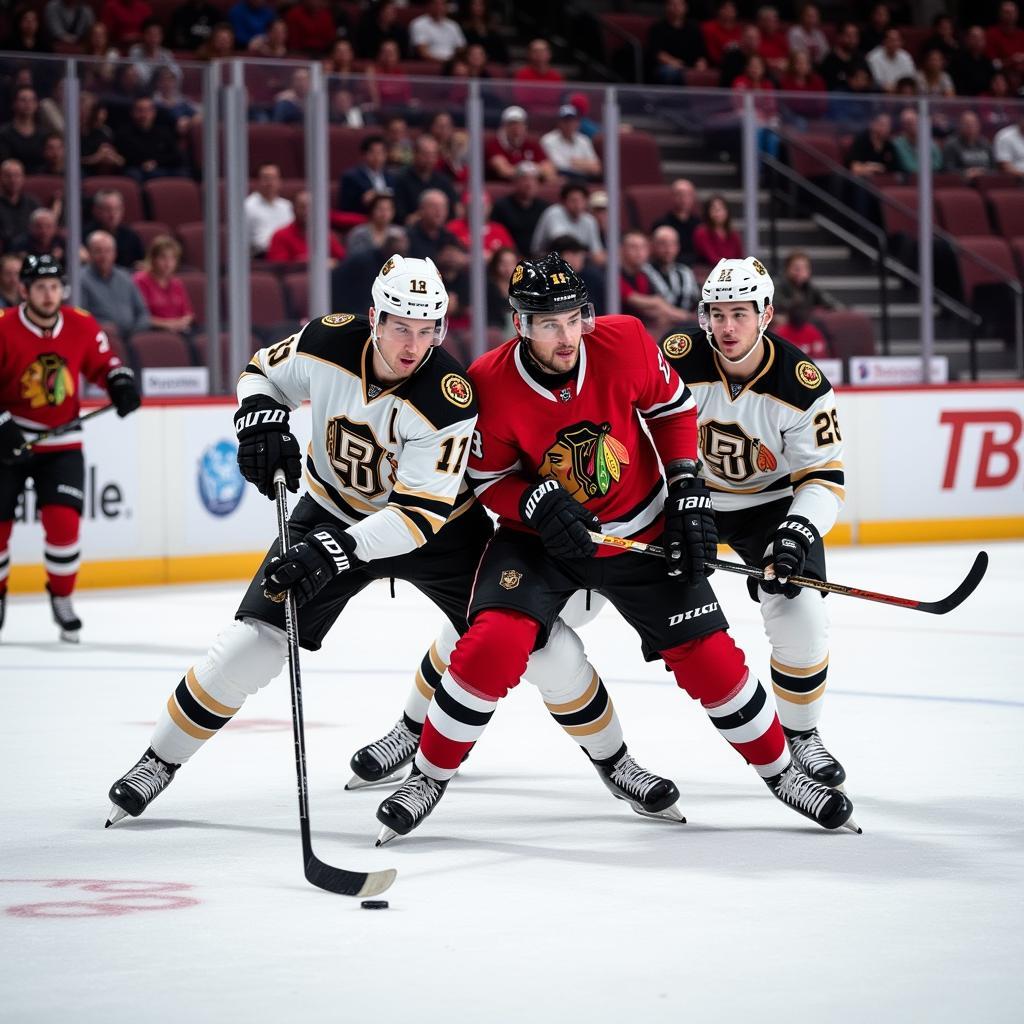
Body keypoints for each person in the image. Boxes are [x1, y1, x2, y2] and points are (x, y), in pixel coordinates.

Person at [105, 254, 680, 830]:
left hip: (438, 532)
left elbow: (416, 516)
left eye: (427, 329)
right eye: (401, 327)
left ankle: (614, 761)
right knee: (251, 644)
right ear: (373, 317)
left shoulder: (449, 397)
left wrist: (335, 552)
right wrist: (257, 415)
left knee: (541, 646)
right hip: (329, 512)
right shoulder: (326, 341)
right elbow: (261, 372)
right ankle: (157, 762)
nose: (413, 345)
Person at [373, 252, 856, 842]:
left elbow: (672, 408)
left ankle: (783, 773)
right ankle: (427, 775)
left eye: (574, 318)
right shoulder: (487, 382)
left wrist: (685, 483)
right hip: (540, 543)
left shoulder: (623, 339)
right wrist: (531, 501)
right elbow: (488, 478)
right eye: (549, 323)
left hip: (642, 527)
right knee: (494, 639)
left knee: (709, 657)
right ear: (520, 325)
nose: (567, 335)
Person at [658, 255, 849, 788]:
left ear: (765, 314)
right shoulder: (674, 359)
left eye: (739, 313)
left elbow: (824, 479)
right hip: (685, 495)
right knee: (575, 597)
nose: (726, 326)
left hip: (770, 508)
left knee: (801, 614)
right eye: (717, 313)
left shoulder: (802, 383)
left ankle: (802, 736)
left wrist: (798, 529)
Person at [0, 255, 140, 641]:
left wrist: (120, 381)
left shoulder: (80, 323)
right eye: (40, 287)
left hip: (62, 442)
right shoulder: (4, 327)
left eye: (54, 287)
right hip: (8, 444)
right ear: (23, 290)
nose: (49, 295)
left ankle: (62, 598)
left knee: (63, 526)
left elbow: (104, 361)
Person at [80, 230, 151, 338]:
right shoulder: (80, 279)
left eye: (108, 251)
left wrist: (136, 330)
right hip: (100, 338)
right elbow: (80, 316)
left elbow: (143, 313)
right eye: (98, 251)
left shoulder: (126, 277)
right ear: (89, 253)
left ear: (115, 253)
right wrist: (102, 327)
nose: (104, 256)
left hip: (132, 336)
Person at [132, 235, 194, 333]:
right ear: (153, 258)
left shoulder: (177, 283)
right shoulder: (140, 281)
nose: (168, 263)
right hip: (153, 332)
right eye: (163, 257)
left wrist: (181, 323)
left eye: (173, 258)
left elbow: (188, 314)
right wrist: (169, 325)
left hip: (180, 331)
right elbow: (140, 316)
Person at [114, 96, 184, 182]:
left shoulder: (164, 132)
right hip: (137, 169)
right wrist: (142, 164)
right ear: (132, 112)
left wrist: (156, 162)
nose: (144, 114)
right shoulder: (123, 133)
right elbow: (122, 158)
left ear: (154, 112)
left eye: (148, 110)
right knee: (133, 175)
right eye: (140, 110)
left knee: (182, 173)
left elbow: (176, 156)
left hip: (161, 168)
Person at [530, 183, 605, 263]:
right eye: (574, 200)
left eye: (581, 200)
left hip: (577, 261)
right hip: (543, 259)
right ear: (564, 201)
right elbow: (562, 243)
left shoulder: (589, 220)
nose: (578, 205)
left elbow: (597, 253)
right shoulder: (554, 212)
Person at [266, 191, 345, 265]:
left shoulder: (323, 235)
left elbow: (342, 260)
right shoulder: (280, 235)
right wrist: (313, 262)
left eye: (310, 208)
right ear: (293, 210)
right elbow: (278, 267)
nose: (306, 211)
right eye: (302, 207)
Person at [393, 134, 458, 224]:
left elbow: (453, 211)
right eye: (426, 155)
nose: (430, 159)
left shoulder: (444, 181)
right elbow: (400, 215)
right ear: (415, 154)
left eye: (433, 155)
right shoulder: (401, 180)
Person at [491, 161, 549, 256]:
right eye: (524, 179)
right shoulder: (501, 206)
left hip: (538, 258)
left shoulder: (544, 208)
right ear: (515, 182)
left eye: (533, 180)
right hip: (510, 258)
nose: (529, 184)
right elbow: (496, 233)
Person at [485, 106, 556, 183]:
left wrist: (527, 170)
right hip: (506, 186)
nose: (516, 128)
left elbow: (549, 169)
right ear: (504, 126)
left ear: (525, 126)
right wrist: (530, 169)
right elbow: (504, 171)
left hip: (531, 186)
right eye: (512, 124)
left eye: (520, 124)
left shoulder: (531, 143)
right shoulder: (494, 144)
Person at [648, 0, 707, 84]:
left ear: (686, 7)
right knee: (670, 73)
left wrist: (701, 63)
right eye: (672, 4)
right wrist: (672, 62)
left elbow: (701, 53)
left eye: (679, 4)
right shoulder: (657, 28)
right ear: (666, 7)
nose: (676, 7)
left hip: (689, 66)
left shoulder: (693, 28)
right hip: (667, 66)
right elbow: (657, 53)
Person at [644, 226, 700, 313]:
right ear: (652, 245)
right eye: (663, 244)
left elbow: (696, 301)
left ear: (678, 246)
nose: (668, 249)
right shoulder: (644, 272)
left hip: (688, 323)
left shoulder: (685, 271)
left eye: (673, 244)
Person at [84, 190, 145, 269]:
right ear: (97, 210)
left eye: (117, 209)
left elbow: (140, 263)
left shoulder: (131, 237)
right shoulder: (85, 235)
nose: (112, 214)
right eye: (108, 209)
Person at [445, 191, 514, 259]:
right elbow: (447, 254)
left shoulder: (499, 230)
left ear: (490, 207)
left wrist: (491, 258)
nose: (478, 210)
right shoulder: (453, 227)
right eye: (473, 206)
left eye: (482, 206)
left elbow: (510, 256)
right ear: (465, 208)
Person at [337, 134, 395, 215]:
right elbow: (345, 208)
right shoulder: (351, 177)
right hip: (363, 219)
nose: (377, 157)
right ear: (364, 155)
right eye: (373, 152)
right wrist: (362, 201)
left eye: (381, 153)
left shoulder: (392, 177)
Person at [541, 106, 602, 181]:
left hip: (585, 179)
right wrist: (584, 164)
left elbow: (596, 168)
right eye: (566, 121)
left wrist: (577, 163)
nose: (569, 124)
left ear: (577, 123)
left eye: (572, 121)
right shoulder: (548, 140)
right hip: (564, 178)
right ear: (559, 123)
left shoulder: (584, 140)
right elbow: (559, 166)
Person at [652, 178, 701, 266]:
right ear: (672, 197)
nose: (684, 199)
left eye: (688, 195)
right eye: (679, 195)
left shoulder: (700, 224)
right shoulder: (661, 224)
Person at [0, 87, 47, 174]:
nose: (28, 104)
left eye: (31, 100)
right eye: (23, 100)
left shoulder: (44, 134)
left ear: (36, 104)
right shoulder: (4, 134)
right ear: (14, 104)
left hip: (40, 180)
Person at [774, 251, 840, 314]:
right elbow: (778, 305)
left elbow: (831, 304)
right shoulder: (777, 287)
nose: (800, 272)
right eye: (796, 268)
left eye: (804, 268)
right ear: (787, 269)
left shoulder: (811, 288)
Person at [406, 189, 459, 262]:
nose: (439, 211)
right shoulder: (408, 238)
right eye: (433, 206)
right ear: (421, 209)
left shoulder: (449, 238)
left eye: (443, 207)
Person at [127, 18, 181, 87]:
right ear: (143, 35)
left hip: (160, 92)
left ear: (162, 37)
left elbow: (177, 74)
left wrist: (168, 74)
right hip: (141, 91)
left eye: (156, 34)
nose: (153, 38)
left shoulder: (166, 53)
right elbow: (139, 76)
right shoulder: (136, 51)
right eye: (149, 34)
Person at [819, 21, 869, 93]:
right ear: (839, 37)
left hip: (860, 99)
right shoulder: (830, 59)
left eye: (855, 36)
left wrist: (864, 82)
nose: (852, 40)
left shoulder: (860, 58)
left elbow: (870, 80)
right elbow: (826, 86)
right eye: (849, 36)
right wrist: (849, 83)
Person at [513, 39, 564, 109]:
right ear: (529, 54)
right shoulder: (522, 74)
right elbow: (522, 99)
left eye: (542, 51)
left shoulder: (556, 76)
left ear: (549, 54)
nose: (539, 54)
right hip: (528, 114)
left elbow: (557, 100)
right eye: (535, 51)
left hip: (550, 115)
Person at [693, 194, 742, 266]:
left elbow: (740, 259)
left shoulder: (734, 234)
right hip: (709, 272)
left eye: (721, 209)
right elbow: (711, 258)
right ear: (708, 211)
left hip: (732, 272)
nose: (718, 213)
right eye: (714, 209)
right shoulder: (701, 232)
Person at [943, 111, 996, 179]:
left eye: (974, 124)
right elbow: (947, 170)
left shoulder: (985, 143)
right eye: (967, 124)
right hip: (961, 184)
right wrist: (965, 173)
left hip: (985, 182)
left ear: (979, 125)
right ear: (960, 126)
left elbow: (994, 169)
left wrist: (983, 172)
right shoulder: (951, 144)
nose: (971, 127)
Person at [892, 107, 943, 175]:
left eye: (915, 122)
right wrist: (927, 167)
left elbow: (938, 164)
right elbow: (909, 167)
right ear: (903, 125)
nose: (913, 126)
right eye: (909, 123)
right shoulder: (897, 144)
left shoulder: (929, 142)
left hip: (931, 180)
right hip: (909, 182)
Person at [343, 193, 397, 257]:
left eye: (388, 209)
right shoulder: (358, 234)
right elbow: (353, 260)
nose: (384, 213)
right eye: (380, 209)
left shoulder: (398, 234)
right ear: (372, 210)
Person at [0, 159, 39, 244]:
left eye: (17, 175)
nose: (13, 180)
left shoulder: (33, 204)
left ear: (23, 178)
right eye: (8, 176)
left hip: (29, 251)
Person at [867, 28, 916, 93]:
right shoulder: (873, 57)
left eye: (897, 40)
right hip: (881, 93)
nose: (894, 43)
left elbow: (910, 79)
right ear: (884, 41)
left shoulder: (906, 57)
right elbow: (876, 82)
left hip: (901, 94)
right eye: (891, 40)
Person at [953, 26, 997, 97]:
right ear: (967, 39)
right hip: (963, 102)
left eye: (981, 38)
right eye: (974, 37)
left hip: (984, 103)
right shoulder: (957, 60)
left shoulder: (988, 62)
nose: (978, 41)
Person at [701, 1, 742, 67]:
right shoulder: (708, 28)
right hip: (715, 65)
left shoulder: (741, 29)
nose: (729, 11)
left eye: (732, 8)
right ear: (719, 10)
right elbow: (712, 55)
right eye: (726, 8)